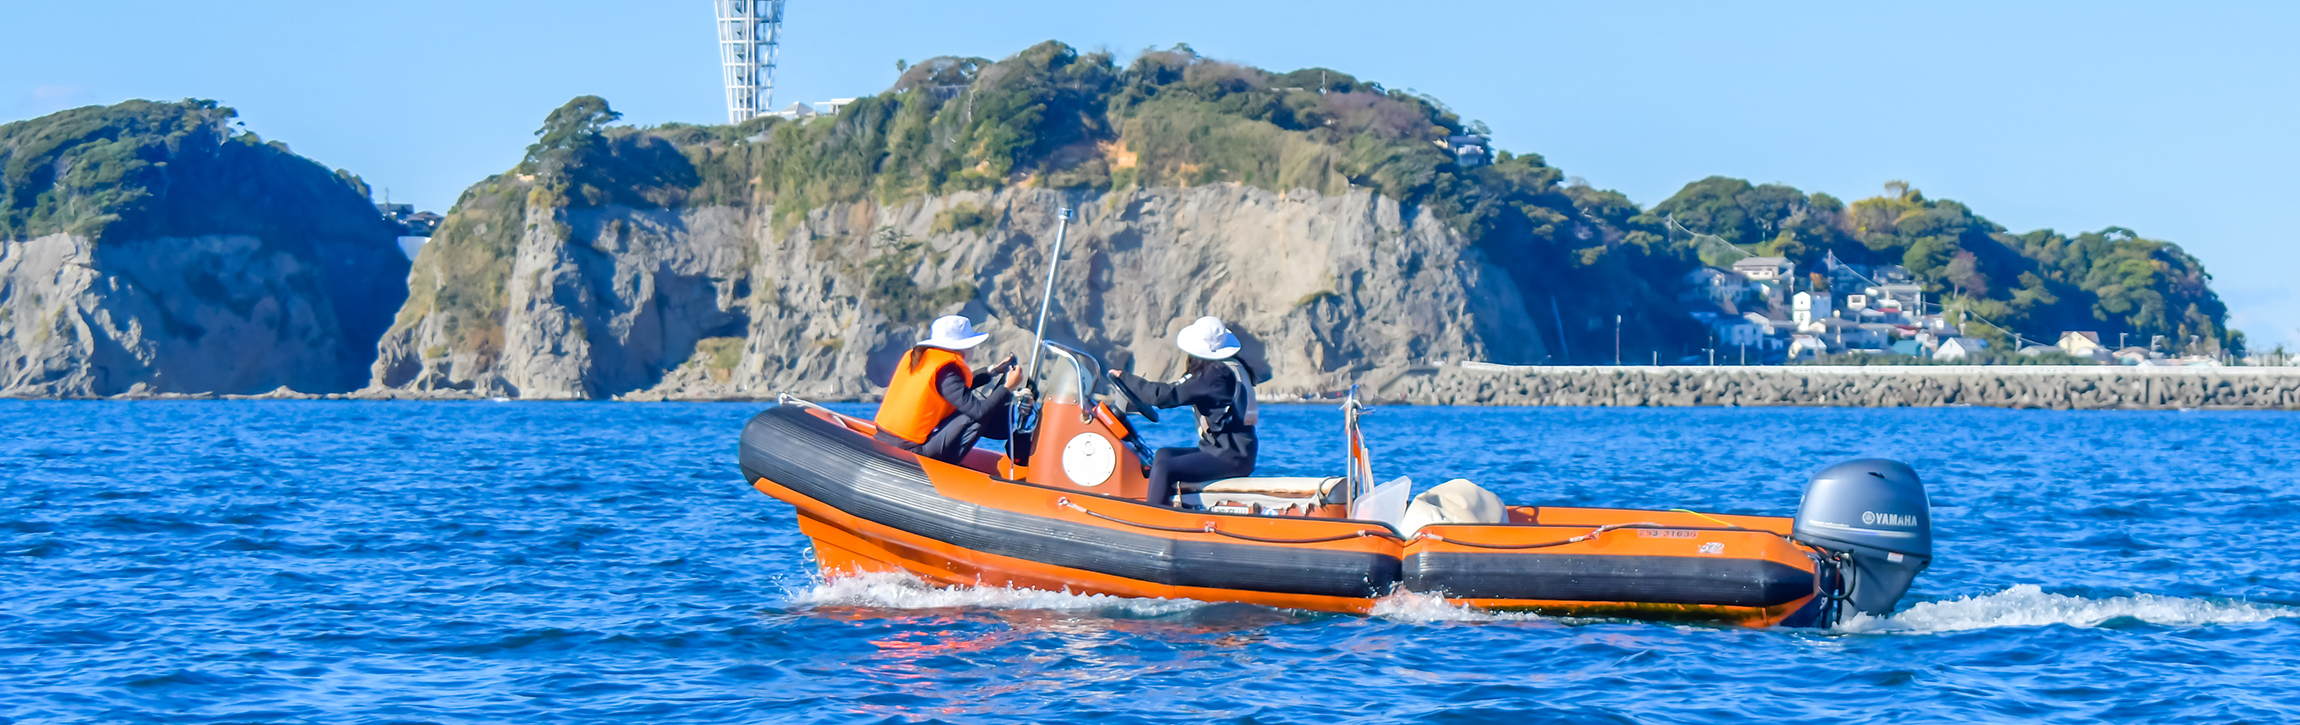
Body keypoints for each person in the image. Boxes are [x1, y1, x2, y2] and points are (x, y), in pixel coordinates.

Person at [1107, 316, 1263, 507]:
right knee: (1163, 455)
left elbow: (1165, 396)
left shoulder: (1212, 377)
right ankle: (1159, 502)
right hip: (1233, 452)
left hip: (1229, 457)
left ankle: (1154, 516)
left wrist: (1126, 378)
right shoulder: (1230, 367)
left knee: (1165, 467)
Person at [874, 315, 1022, 464]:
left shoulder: (921, 357)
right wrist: (1008, 387)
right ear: (964, 347)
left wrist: (993, 371)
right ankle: (949, 469)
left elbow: (955, 389)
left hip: (887, 437)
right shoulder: (947, 370)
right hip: (910, 449)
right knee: (976, 416)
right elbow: (979, 412)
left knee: (972, 409)